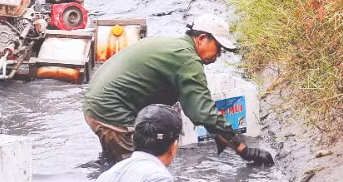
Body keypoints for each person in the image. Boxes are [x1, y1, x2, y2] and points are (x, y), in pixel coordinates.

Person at [83, 14, 274, 166]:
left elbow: (192, 105)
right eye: (218, 48)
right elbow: (203, 112)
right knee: (143, 173)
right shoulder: (188, 60)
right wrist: (243, 150)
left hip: (96, 103)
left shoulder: (174, 47)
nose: (218, 56)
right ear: (201, 39)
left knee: (113, 167)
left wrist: (219, 134)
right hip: (112, 114)